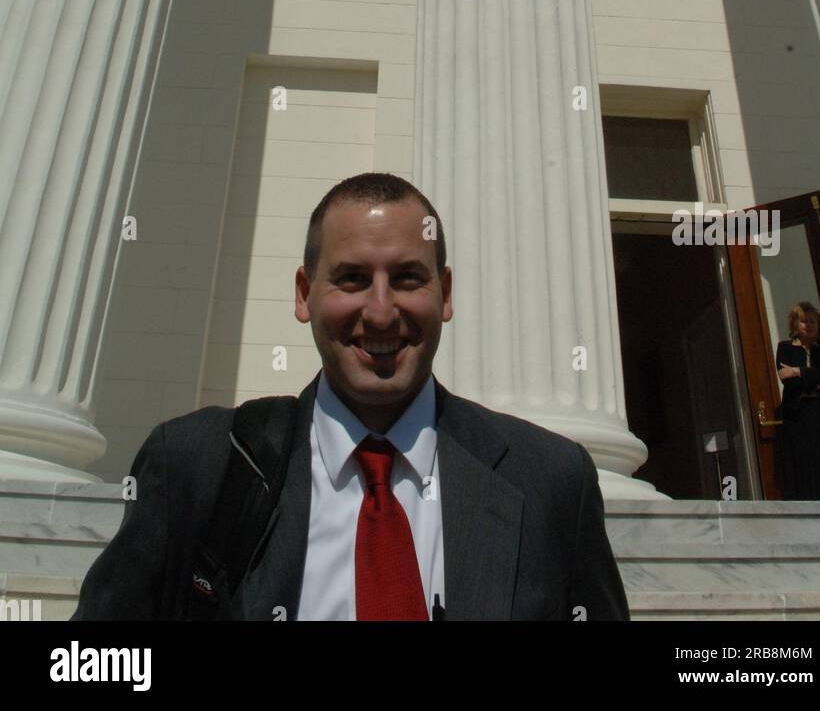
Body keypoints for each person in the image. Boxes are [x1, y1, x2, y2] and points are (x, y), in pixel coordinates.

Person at [71, 171, 629, 621]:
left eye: (409, 278)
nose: (381, 311)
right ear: (304, 294)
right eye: (353, 279)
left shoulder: (551, 481)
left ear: (446, 293)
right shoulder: (198, 463)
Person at [776, 301, 820, 500]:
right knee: (801, 457)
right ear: (795, 325)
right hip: (797, 412)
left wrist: (798, 371)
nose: (809, 325)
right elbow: (785, 378)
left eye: (813, 321)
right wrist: (814, 379)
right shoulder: (785, 348)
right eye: (804, 321)